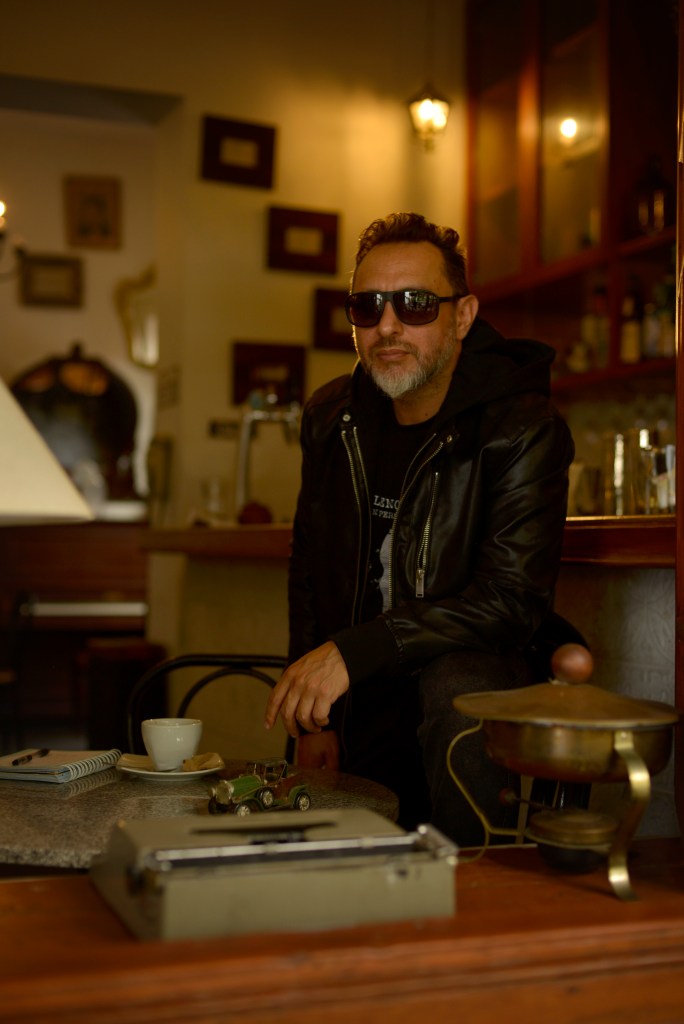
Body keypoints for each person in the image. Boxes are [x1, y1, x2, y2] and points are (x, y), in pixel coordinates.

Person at [264, 211, 578, 846]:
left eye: (415, 305)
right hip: (360, 696)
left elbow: (510, 602)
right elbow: (311, 566)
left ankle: (475, 893)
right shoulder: (331, 417)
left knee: (456, 685)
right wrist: (314, 719)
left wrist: (357, 650)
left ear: (462, 317)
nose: (387, 325)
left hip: (464, 699)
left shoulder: (521, 428)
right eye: (367, 306)